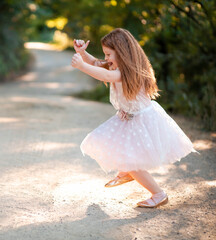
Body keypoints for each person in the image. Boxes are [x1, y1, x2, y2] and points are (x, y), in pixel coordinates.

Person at [71, 28, 198, 208]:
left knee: (130, 159)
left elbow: (106, 75)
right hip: (128, 118)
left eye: (108, 54)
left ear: (122, 52)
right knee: (108, 144)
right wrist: (82, 53)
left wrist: (81, 66)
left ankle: (158, 194)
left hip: (141, 121)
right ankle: (126, 172)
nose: (106, 58)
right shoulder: (116, 66)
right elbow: (97, 63)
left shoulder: (127, 72)